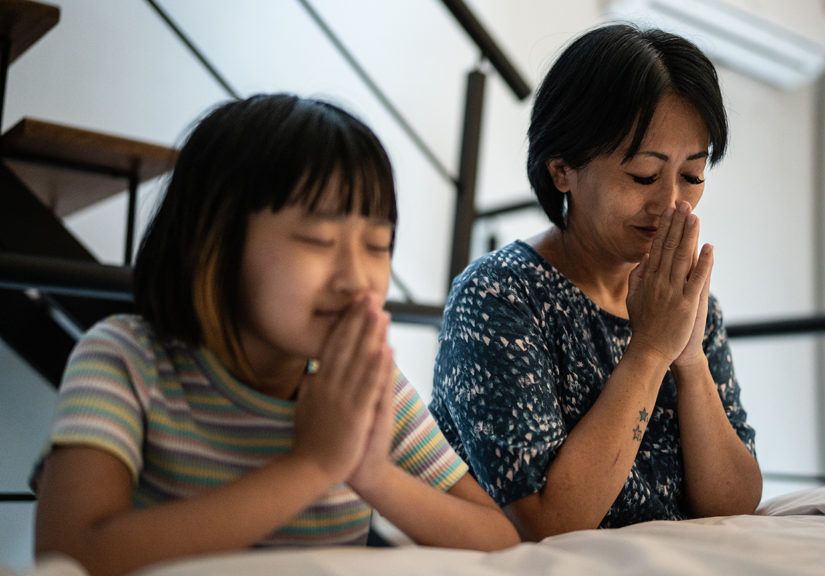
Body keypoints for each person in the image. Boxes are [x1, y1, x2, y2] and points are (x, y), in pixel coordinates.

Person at [32, 94, 519, 576]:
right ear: (216, 241)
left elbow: (498, 540)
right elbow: (72, 556)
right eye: (317, 241)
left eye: (378, 245)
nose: (355, 279)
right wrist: (314, 465)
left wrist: (371, 474)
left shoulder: (365, 385)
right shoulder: (126, 357)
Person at [429, 24, 762, 541]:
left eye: (693, 175)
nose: (672, 203)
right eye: (644, 176)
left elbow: (736, 503)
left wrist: (690, 359)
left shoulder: (688, 302)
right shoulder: (499, 296)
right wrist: (651, 350)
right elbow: (547, 522)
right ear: (562, 170)